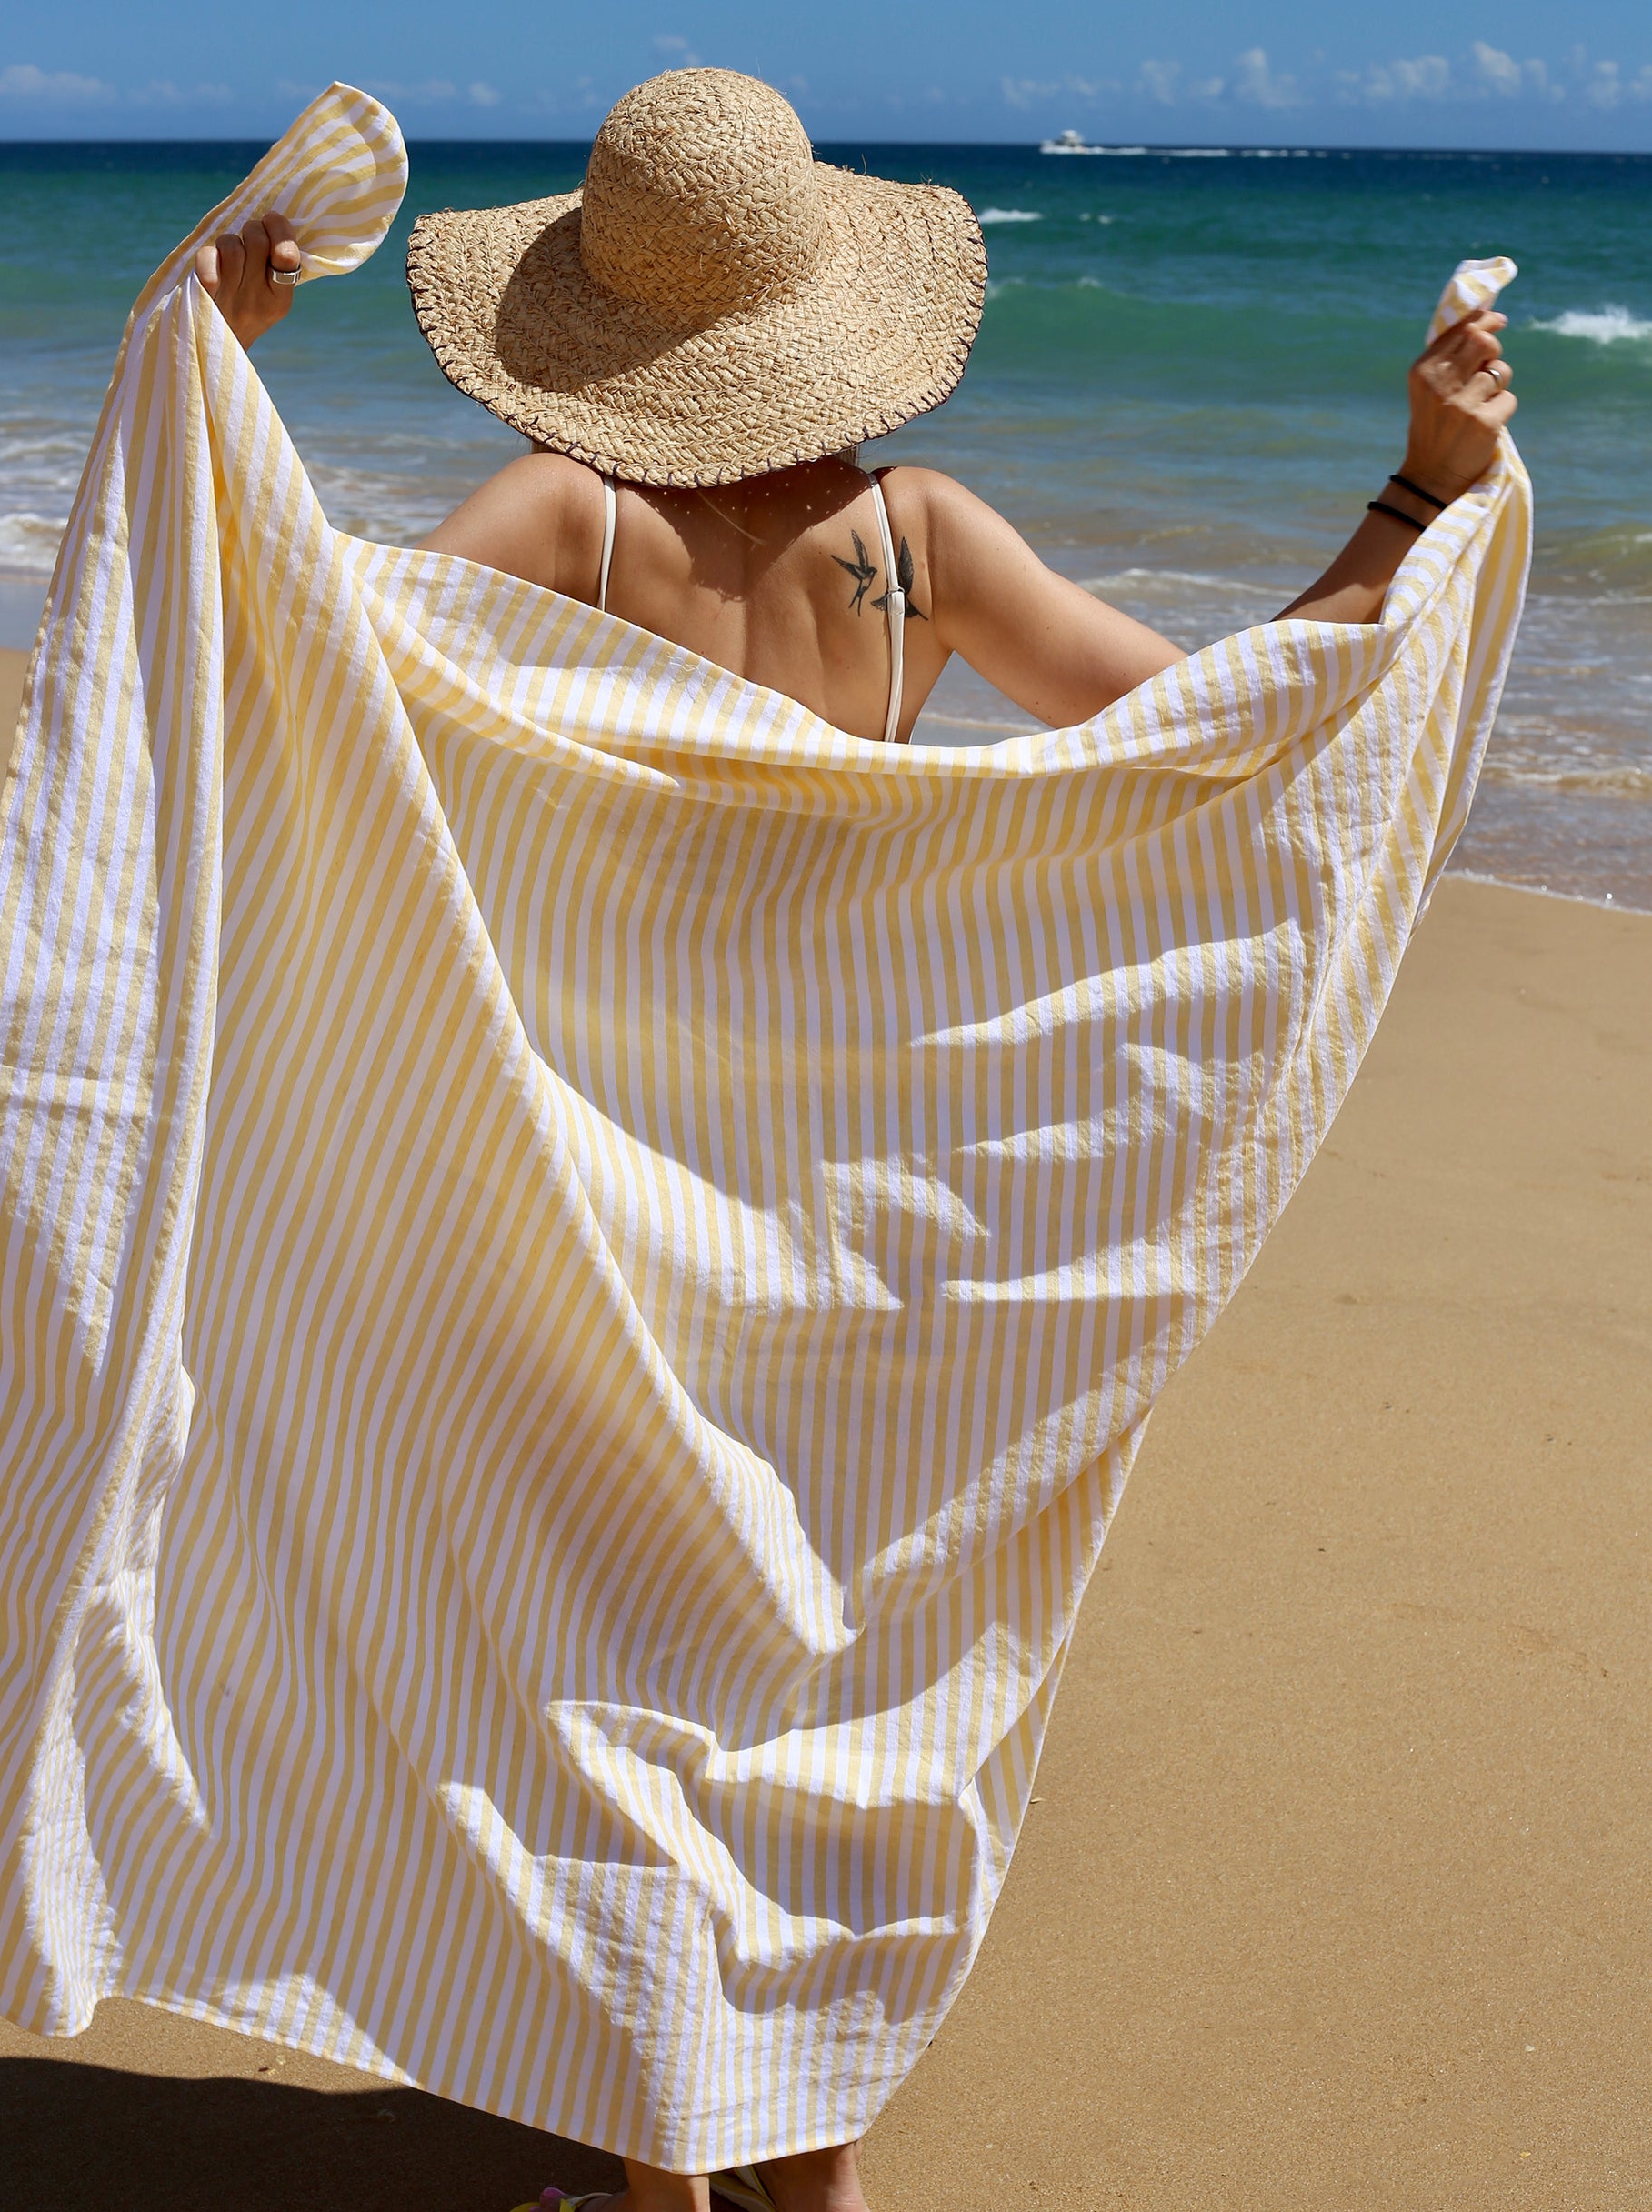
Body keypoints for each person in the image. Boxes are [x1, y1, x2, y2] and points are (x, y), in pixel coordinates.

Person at [193, 67, 1516, 2212]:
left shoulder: (562, 519)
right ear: (824, 300)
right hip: (884, 1200)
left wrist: (213, 386)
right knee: (821, 1689)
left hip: (619, 1206)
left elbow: (321, 685)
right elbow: (1212, 723)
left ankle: (656, 2176)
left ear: (593, 321)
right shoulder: (921, 540)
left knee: (620, 1673)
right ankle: (806, 2174)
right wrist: (1417, 490)